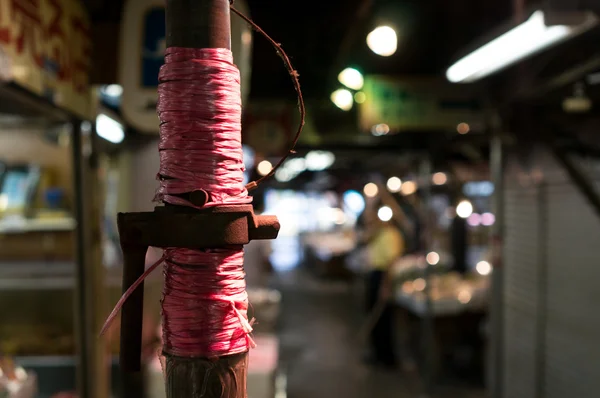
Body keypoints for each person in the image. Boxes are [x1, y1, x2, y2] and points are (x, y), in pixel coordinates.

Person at [361, 199, 405, 369]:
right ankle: (377, 354)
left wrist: (385, 286)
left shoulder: (391, 235)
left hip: (383, 277)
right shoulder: (378, 233)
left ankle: (387, 358)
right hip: (374, 275)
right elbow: (365, 238)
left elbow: (391, 263)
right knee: (375, 317)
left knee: (384, 320)